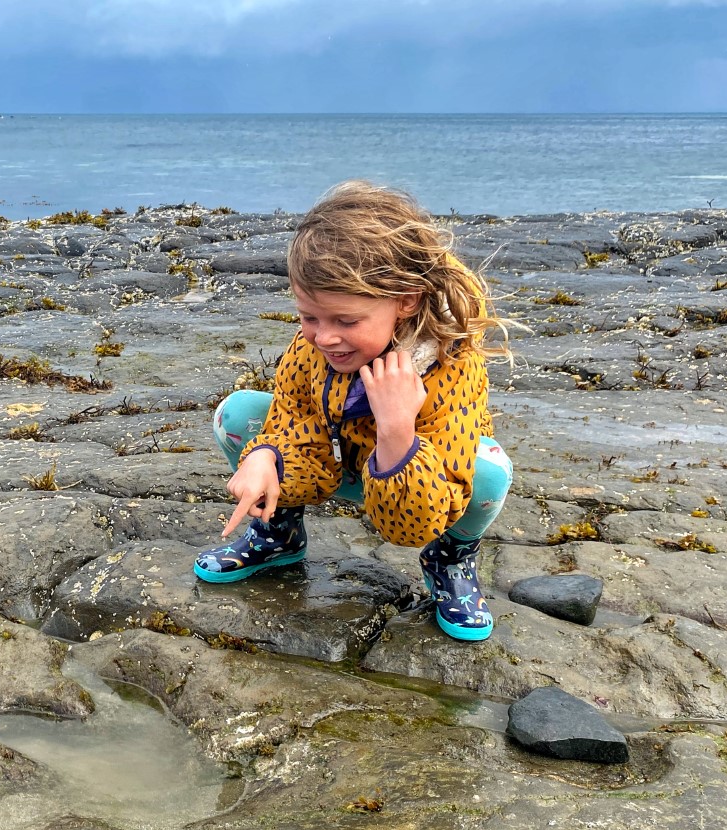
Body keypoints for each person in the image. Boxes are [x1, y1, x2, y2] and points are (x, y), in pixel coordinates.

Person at [194, 180, 514, 642]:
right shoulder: (314, 350)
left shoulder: (452, 367)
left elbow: (409, 527)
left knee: (490, 471)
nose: (324, 337)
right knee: (238, 413)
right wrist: (267, 455)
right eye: (310, 317)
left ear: (406, 300)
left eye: (346, 321)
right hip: (339, 462)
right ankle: (279, 534)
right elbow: (292, 414)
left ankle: (449, 559)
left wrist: (397, 428)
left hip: (423, 493)